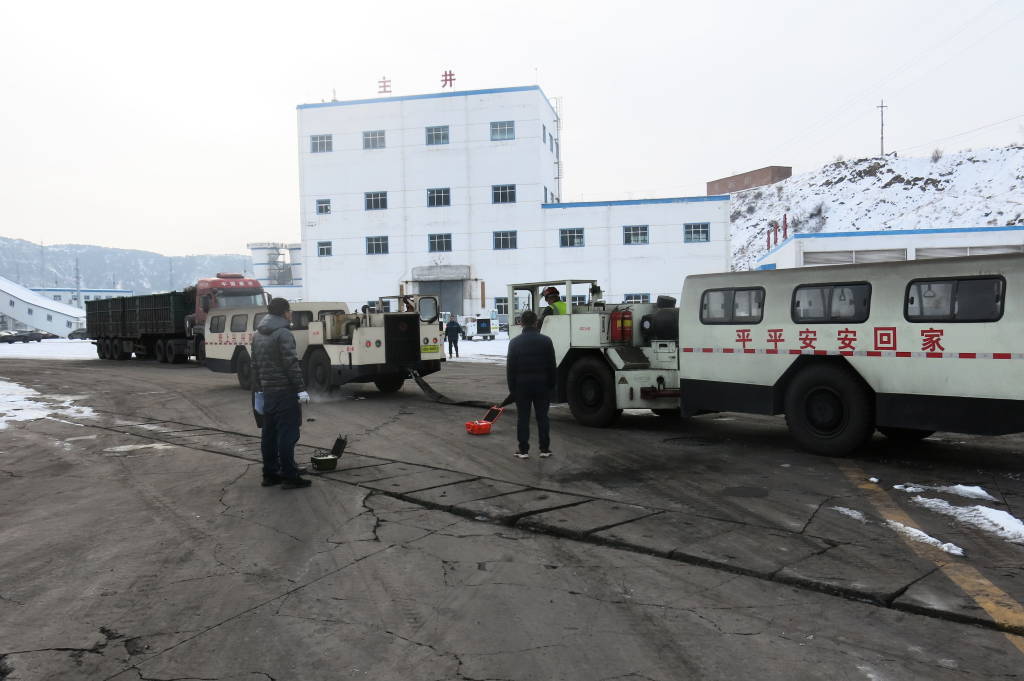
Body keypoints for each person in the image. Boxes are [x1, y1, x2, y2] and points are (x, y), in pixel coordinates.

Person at [251, 297, 311, 489]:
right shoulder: (283, 333)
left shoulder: (257, 335)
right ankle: (289, 476)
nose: (291, 313)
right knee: (287, 434)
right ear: (284, 312)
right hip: (285, 392)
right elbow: (291, 364)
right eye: (289, 310)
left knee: (269, 434)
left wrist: (259, 389)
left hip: (268, 392)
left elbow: (254, 365)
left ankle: (270, 474)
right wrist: (301, 389)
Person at [506, 309, 556, 459]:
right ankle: (544, 449)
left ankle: (523, 450)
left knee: (523, 418)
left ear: (521, 323)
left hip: (522, 387)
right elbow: (552, 366)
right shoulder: (546, 341)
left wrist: (513, 389)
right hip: (542, 386)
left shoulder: (514, 343)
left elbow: (510, 369)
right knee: (543, 417)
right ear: (536, 323)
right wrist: (551, 385)